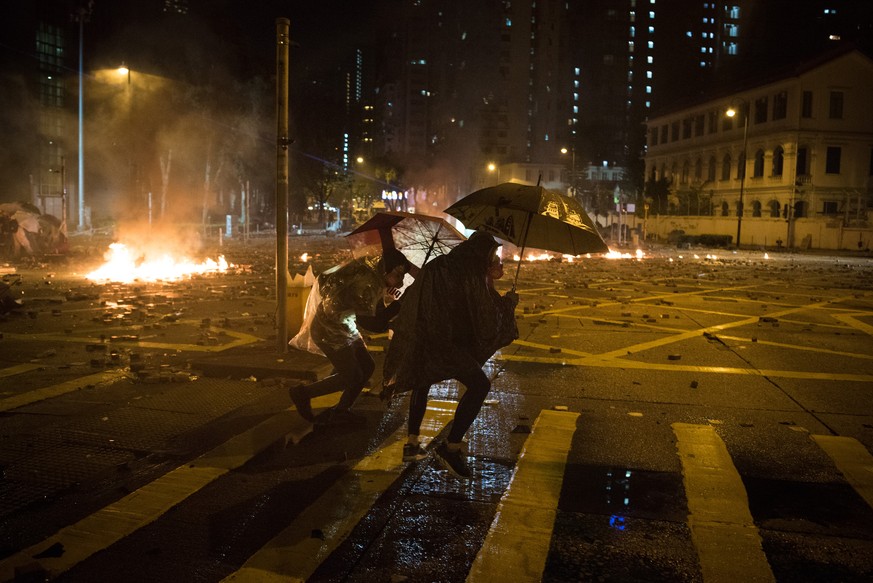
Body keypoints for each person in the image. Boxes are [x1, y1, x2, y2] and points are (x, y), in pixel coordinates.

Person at [382, 231, 519, 478]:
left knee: (421, 381)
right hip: (448, 344)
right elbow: (485, 316)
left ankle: (412, 442)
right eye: (493, 255)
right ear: (481, 254)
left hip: (424, 337)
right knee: (479, 385)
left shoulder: (439, 265)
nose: (494, 259)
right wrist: (508, 304)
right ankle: (452, 446)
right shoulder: (471, 274)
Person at [288, 248, 412, 426]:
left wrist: (395, 310)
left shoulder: (374, 278)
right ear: (387, 271)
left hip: (343, 326)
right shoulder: (368, 283)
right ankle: (303, 393)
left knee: (367, 367)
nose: (400, 283)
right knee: (352, 376)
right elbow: (373, 323)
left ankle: (341, 410)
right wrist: (400, 304)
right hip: (328, 330)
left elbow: (376, 313)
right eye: (399, 277)